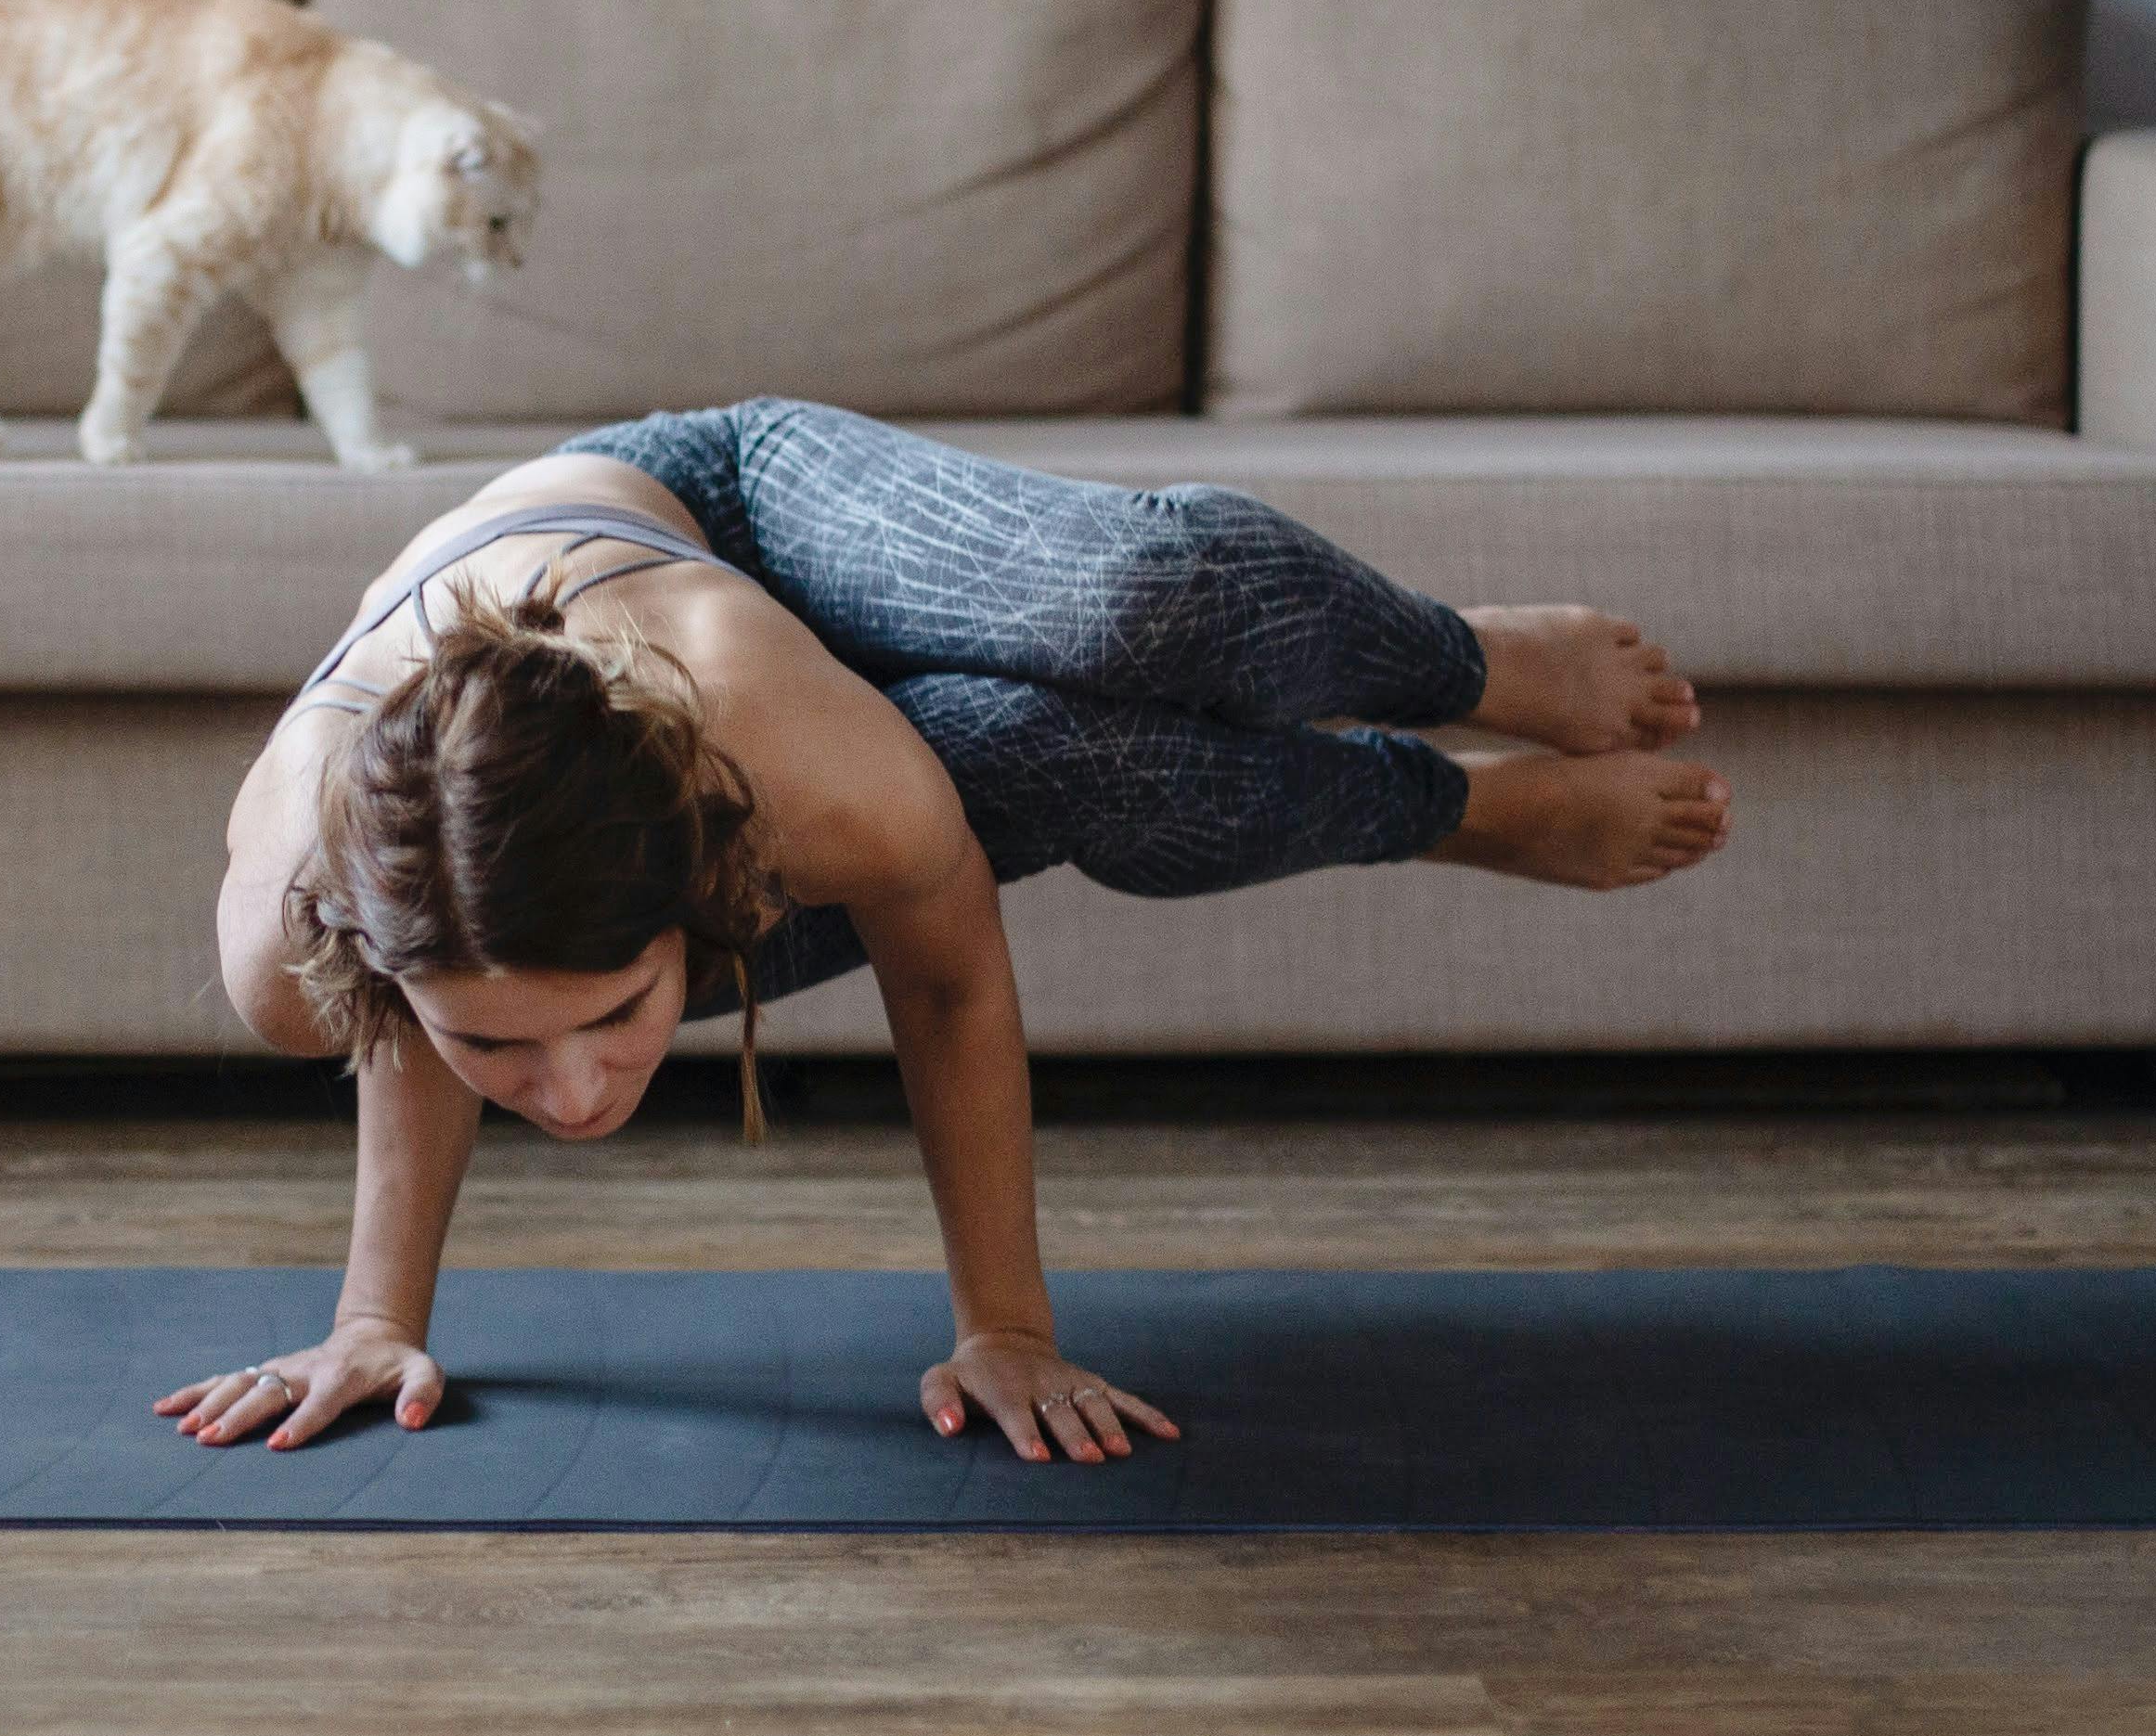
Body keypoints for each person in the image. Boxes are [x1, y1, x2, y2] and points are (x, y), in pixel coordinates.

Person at [158, 401, 1730, 1468]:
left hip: (715, 516)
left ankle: (1455, 671)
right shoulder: (298, 944)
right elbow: (444, 967)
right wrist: (373, 1323)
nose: (572, 1100)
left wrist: (1006, 1328)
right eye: (501, 1044)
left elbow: (949, 973)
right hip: (569, 810)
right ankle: (1451, 811)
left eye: (613, 1017)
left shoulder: (781, 766)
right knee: (1051, 756)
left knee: (1133, 599)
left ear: (699, 893)